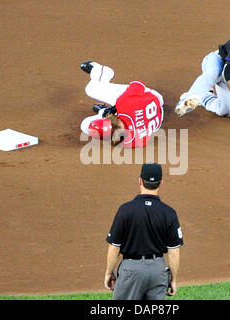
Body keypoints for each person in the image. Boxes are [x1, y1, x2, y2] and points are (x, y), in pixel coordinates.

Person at [104, 163, 183, 300]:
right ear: (161, 183)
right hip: (158, 270)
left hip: (131, 270)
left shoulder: (125, 210)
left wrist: (108, 272)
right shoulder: (169, 213)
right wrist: (173, 279)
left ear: (140, 181)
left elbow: (114, 247)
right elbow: (174, 251)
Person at [80, 61, 164, 148]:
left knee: (86, 126)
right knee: (91, 90)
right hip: (154, 98)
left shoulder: (129, 142)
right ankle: (103, 73)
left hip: (156, 119)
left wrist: (112, 110)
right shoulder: (125, 104)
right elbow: (138, 84)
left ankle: (103, 110)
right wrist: (117, 106)